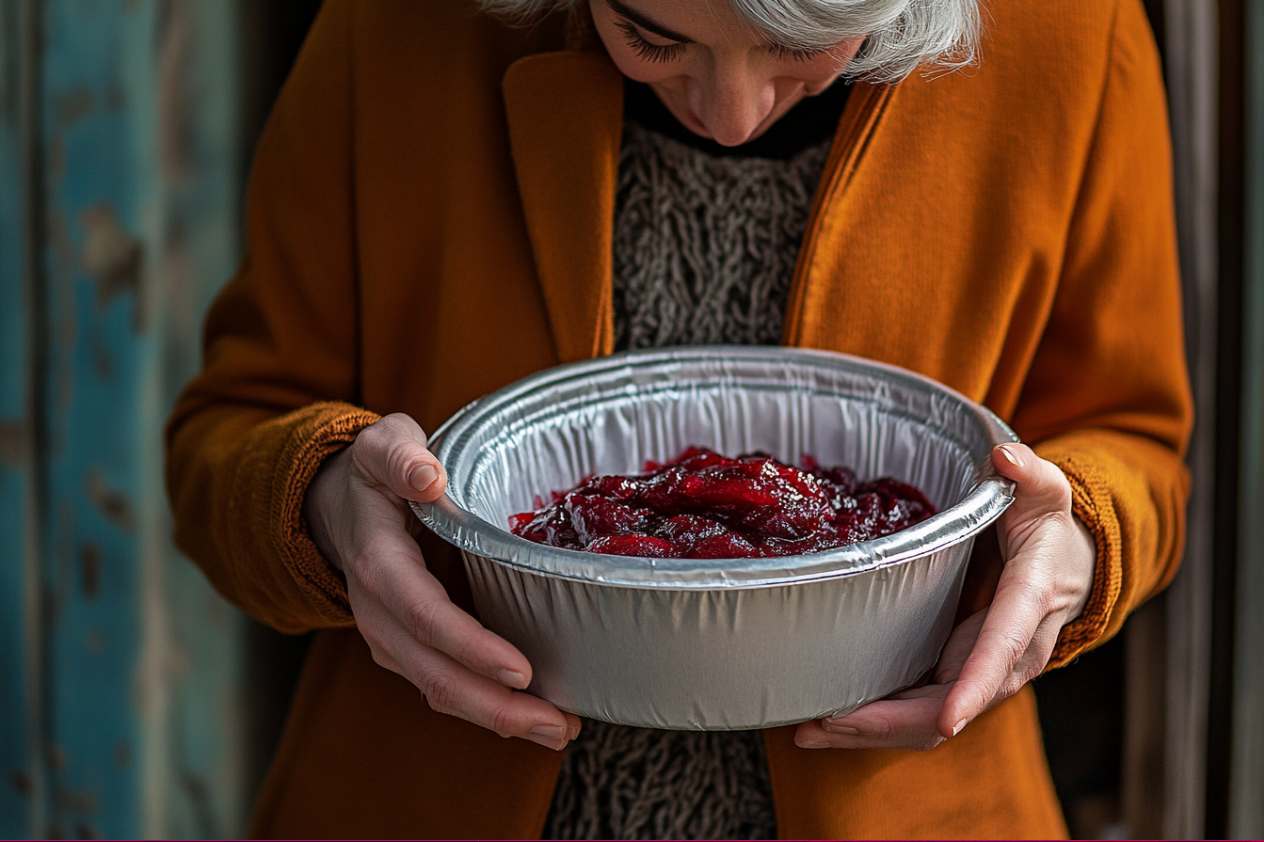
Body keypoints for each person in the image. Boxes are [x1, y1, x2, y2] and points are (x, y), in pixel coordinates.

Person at [165, 0, 1192, 837]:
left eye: (800, 44)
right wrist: (326, 498)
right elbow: (225, 439)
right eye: (653, 34)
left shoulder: (1071, 38)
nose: (734, 111)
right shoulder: (397, 29)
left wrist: (1079, 543)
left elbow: (1133, 439)